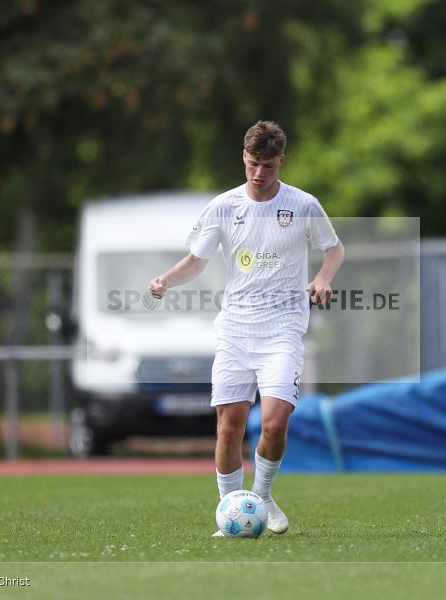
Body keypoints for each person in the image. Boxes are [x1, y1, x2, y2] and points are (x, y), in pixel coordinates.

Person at [148, 120, 344, 536]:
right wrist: (165, 279)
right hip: (236, 330)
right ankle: (229, 512)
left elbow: (334, 248)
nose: (259, 173)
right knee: (229, 427)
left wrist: (323, 278)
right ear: (243, 157)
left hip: (283, 329)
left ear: (281, 162)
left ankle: (263, 496)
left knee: (273, 424)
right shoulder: (223, 207)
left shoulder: (303, 204)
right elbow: (197, 260)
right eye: (253, 163)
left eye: (268, 166)